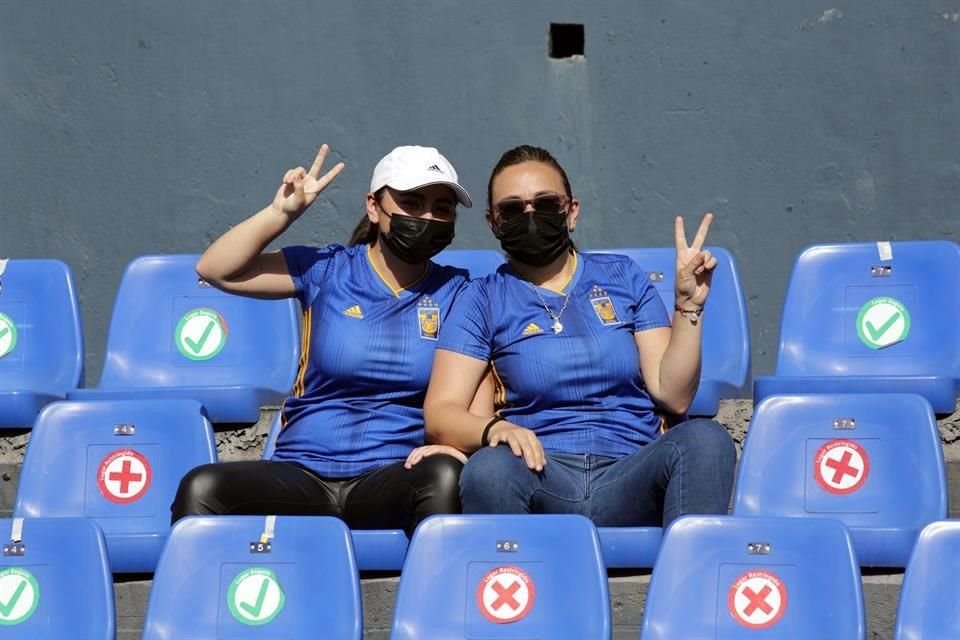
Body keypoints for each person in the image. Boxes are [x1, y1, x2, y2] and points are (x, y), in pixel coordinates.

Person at [171, 144, 491, 535]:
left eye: (441, 208)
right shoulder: (327, 268)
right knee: (201, 488)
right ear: (374, 207)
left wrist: (458, 450)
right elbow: (217, 269)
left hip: (391, 475)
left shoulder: (459, 292)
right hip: (301, 474)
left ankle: (434, 597)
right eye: (411, 203)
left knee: (443, 474)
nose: (427, 217)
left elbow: (474, 398)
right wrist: (280, 214)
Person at [423, 145, 736, 528]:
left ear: (571, 211)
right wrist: (497, 429)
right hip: (540, 471)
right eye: (512, 209)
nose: (530, 215)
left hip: (631, 471)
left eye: (545, 203)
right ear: (493, 222)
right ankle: (514, 582)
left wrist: (689, 306)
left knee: (705, 439)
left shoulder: (622, 277)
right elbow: (442, 412)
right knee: (489, 469)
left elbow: (673, 393)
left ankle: (691, 584)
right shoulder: (482, 298)